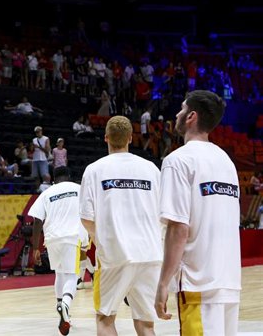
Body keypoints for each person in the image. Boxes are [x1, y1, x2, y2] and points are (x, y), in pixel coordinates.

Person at [154, 91, 241, 335]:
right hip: (229, 282)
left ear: (191, 116)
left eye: (181, 109)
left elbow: (178, 228)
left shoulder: (178, 160)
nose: (177, 114)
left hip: (198, 284)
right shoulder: (226, 161)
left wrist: (163, 283)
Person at [79, 115, 162, 336]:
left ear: (106, 138)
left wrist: (102, 240)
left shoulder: (94, 170)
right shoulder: (151, 169)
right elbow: (162, 213)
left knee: (105, 319)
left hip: (115, 255)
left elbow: (86, 218)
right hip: (151, 253)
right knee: (146, 324)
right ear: (130, 138)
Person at [28, 166, 87, 336]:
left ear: (54, 179)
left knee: (60, 275)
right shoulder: (79, 189)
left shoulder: (47, 193)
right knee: (72, 276)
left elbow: (37, 220)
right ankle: (66, 305)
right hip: (72, 237)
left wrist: (35, 248)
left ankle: (62, 307)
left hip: (52, 239)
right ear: (69, 176)